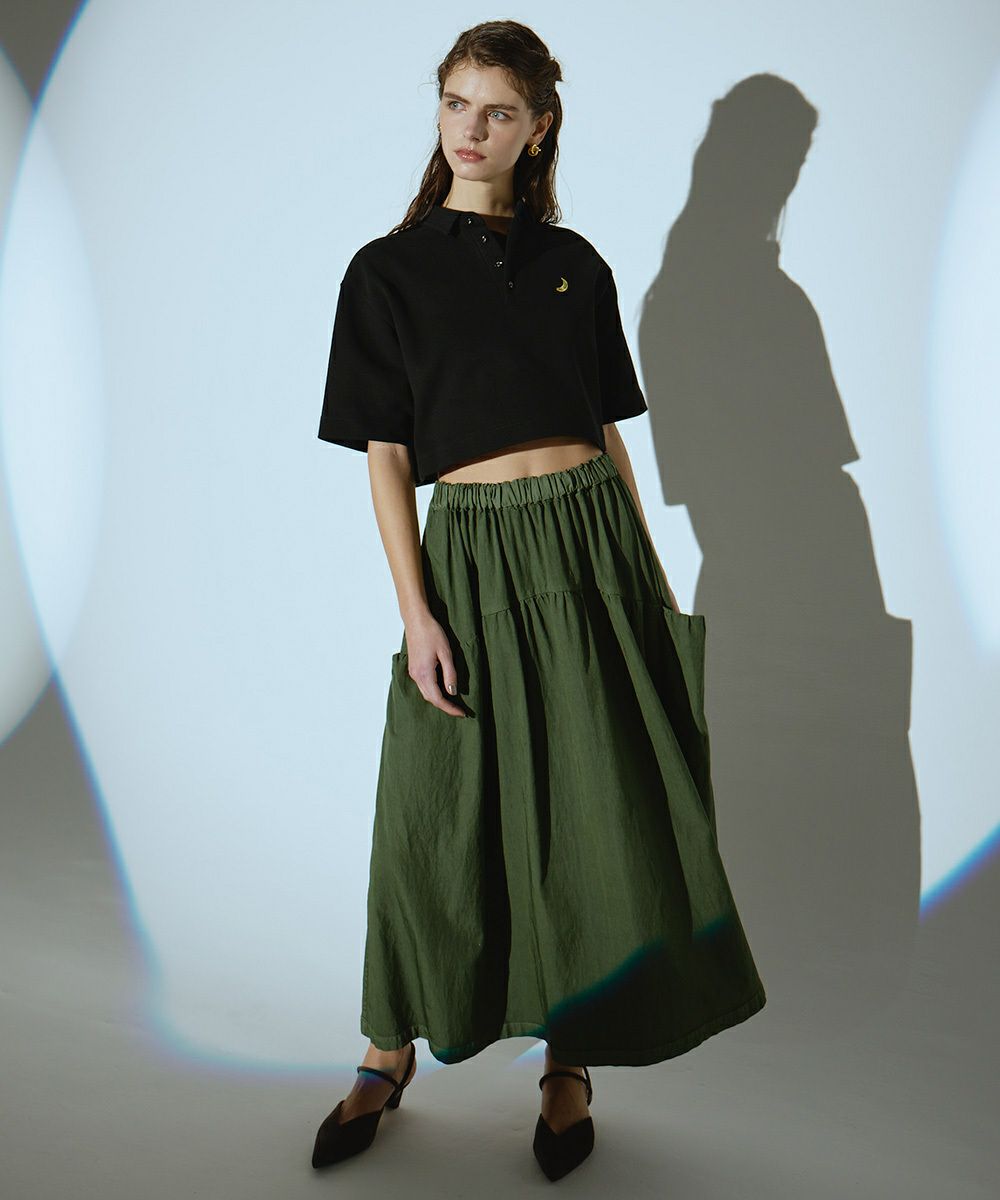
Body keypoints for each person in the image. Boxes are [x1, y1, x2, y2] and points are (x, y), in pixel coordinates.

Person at [310, 20, 766, 1182]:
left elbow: (605, 434)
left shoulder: (576, 266)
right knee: (435, 811)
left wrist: (651, 585)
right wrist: (417, 614)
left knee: (593, 809)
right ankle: (387, 1049)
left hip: (590, 542)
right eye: (455, 104)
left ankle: (571, 1061)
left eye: (497, 112)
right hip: (468, 555)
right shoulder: (385, 272)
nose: (470, 129)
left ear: (537, 128)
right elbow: (386, 455)